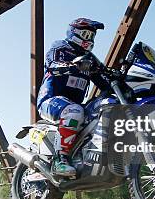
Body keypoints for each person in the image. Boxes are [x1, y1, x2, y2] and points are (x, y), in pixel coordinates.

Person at [36, 18, 109, 177]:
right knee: (74, 111)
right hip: (50, 100)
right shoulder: (61, 47)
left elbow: (104, 79)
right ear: (74, 32)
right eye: (85, 34)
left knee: (103, 106)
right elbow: (52, 65)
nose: (89, 39)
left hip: (75, 105)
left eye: (92, 36)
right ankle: (60, 160)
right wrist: (73, 65)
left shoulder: (90, 58)